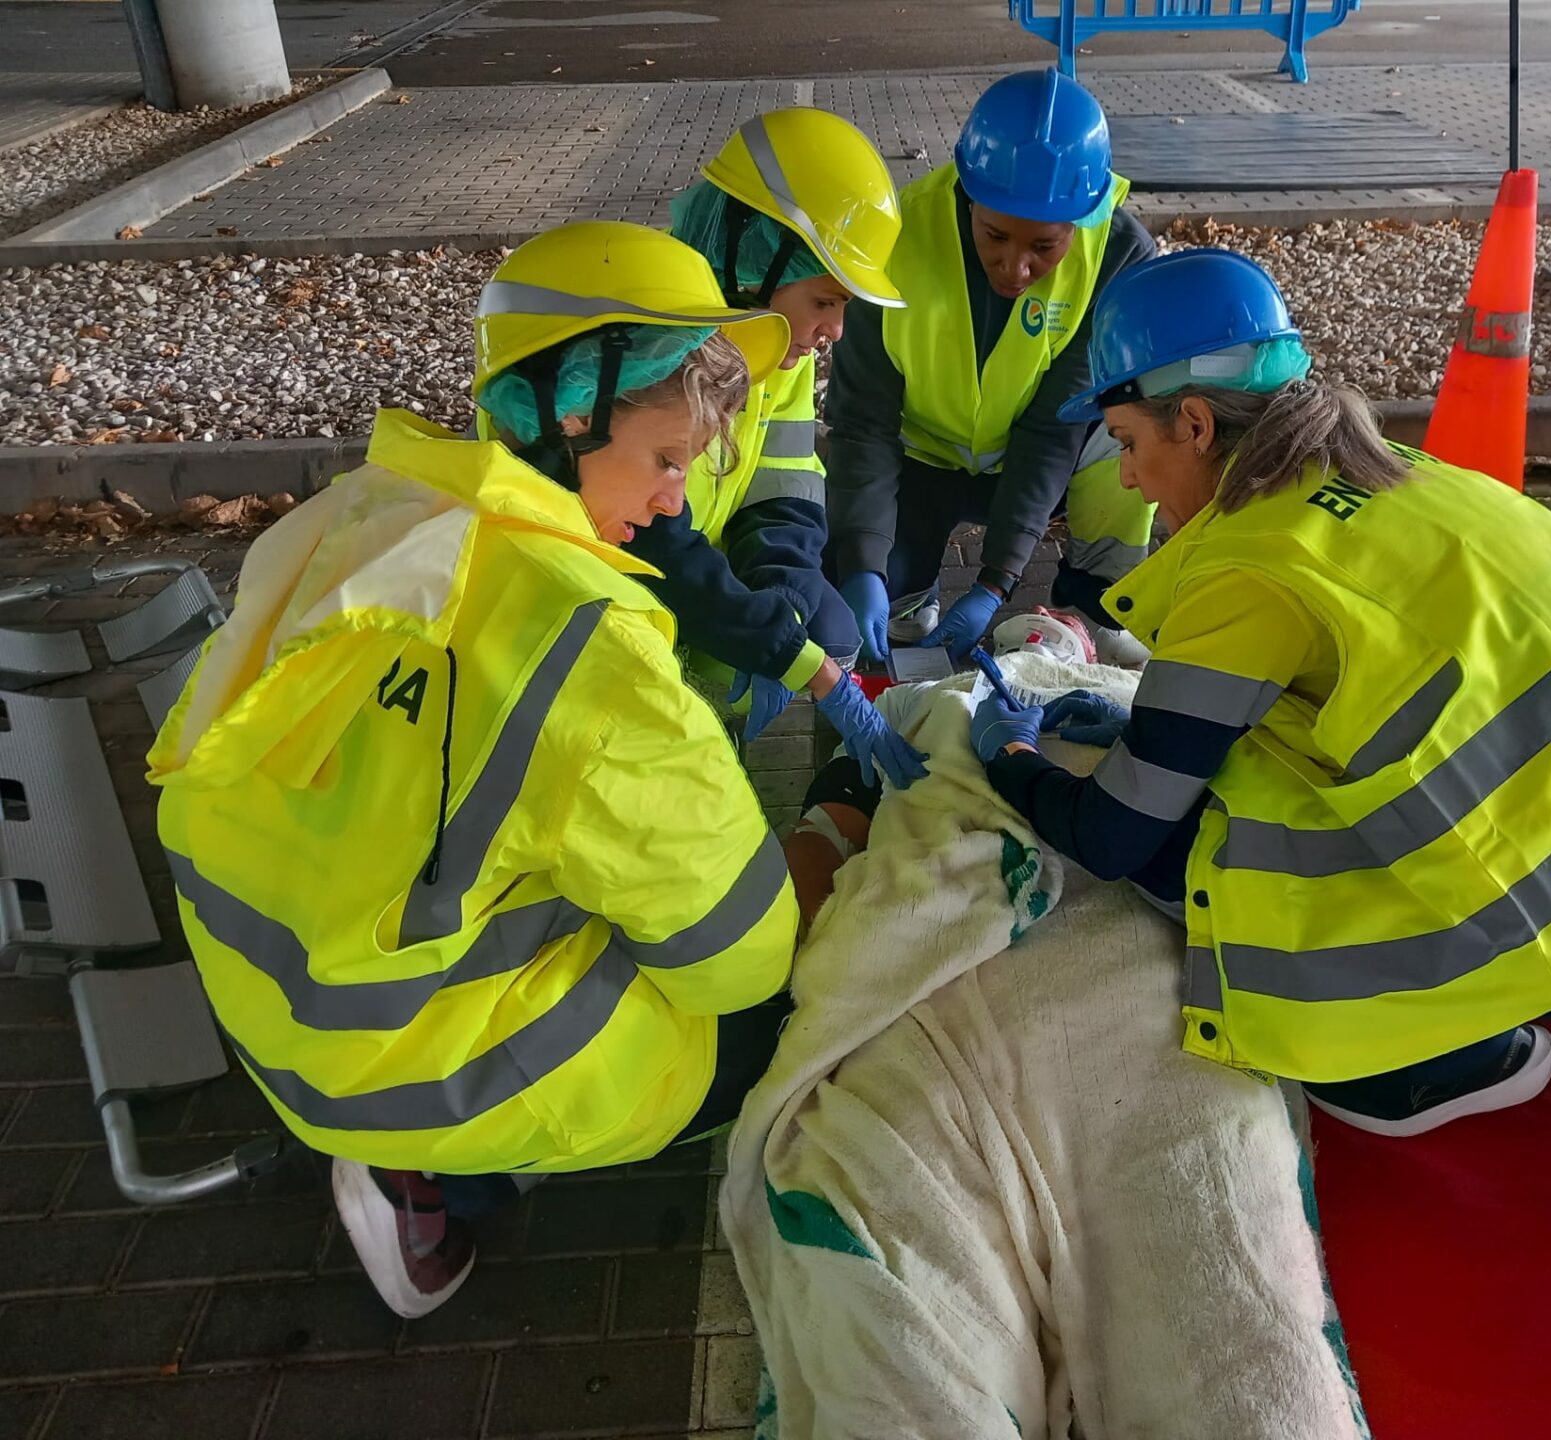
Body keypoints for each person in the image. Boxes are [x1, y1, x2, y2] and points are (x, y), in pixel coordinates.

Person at [967, 247, 1551, 1136]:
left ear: (1194, 426)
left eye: (1126, 443)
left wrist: (1010, 760)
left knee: (1190, 861)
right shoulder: (1400, 473)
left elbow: (1114, 835)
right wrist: (1146, 722)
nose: (1124, 476)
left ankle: (1425, 1062)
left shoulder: (1251, 563)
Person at [150, 222, 807, 1318]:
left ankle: (410, 1157)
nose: (674, 503)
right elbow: (735, 958)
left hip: (262, 1016)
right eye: (666, 459)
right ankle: (448, 1176)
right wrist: (828, 835)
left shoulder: (356, 518)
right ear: (571, 412)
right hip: (400, 1065)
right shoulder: (585, 642)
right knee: (774, 1017)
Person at [824, 67, 1159, 671]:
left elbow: (1054, 427)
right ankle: (905, 598)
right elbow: (863, 423)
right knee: (861, 581)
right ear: (967, 194)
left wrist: (996, 582)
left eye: (1044, 248)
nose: (1015, 268)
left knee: (1129, 428)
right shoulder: (892, 236)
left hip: (1041, 457)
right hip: (919, 457)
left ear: (1079, 222)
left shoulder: (1116, 252)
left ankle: (1097, 609)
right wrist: (863, 560)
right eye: (996, 235)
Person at [627, 108, 924, 784]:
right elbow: (649, 538)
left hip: (679, 581)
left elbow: (783, 480)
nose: (836, 332)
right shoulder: (648, 348)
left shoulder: (771, 349)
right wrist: (797, 657)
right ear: (756, 258)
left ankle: (706, 757)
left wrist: (784, 577)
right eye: (825, 301)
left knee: (802, 628)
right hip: (601, 604)